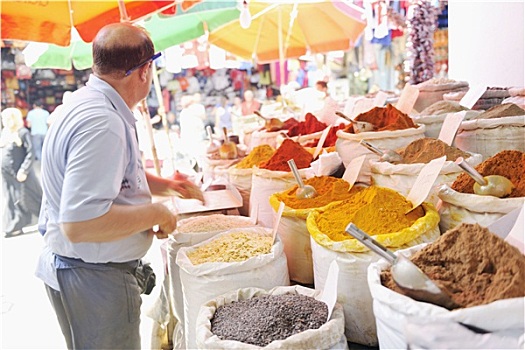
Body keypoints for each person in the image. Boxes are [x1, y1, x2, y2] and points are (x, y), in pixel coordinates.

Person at [35, 23, 204, 350]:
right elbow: (79, 224)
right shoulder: (102, 122)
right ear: (144, 71)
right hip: (91, 276)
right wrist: (156, 212)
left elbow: (117, 182)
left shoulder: (93, 105)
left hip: (88, 272)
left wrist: (167, 186)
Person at [1, 108, 43, 237]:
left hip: (20, 173)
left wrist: (24, 170)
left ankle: (45, 219)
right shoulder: (6, 133)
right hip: (8, 173)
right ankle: (13, 225)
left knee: (30, 196)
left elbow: (31, 153)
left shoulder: (23, 133)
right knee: (11, 198)